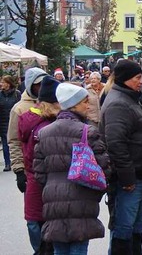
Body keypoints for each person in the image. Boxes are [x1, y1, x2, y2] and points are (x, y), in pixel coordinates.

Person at [33, 83, 110, 255]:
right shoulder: (87, 131)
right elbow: (104, 166)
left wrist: (51, 186)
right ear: (73, 104)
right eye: (84, 102)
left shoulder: (44, 133)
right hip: (82, 195)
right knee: (79, 246)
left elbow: (38, 170)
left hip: (53, 197)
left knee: (59, 247)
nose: (88, 106)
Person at [100, 60, 142, 254]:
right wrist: (127, 178)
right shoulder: (119, 103)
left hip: (138, 176)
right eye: (137, 77)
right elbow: (116, 144)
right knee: (124, 230)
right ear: (126, 79)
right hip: (130, 179)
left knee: (134, 229)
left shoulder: (128, 98)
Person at [17, 75, 60, 255]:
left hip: (33, 175)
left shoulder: (25, 117)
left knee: (35, 219)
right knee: (48, 220)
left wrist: (20, 169)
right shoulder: (54, 121)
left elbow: (17, 142)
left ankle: (40, 250)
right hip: (51, 177)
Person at [8, 67, 49, 188]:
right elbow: (14, 140)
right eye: (38, 84)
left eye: (44, 83)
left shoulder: (53, 103)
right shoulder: (19, 108)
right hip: (31, 169)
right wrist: (19, 170)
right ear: (31, 85)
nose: (41, 87)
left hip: (51, 167)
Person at [1, 75, 21, 171]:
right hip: (3, 123)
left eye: (3, 82)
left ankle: (17, 162)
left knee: (15, 143)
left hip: (14, 122)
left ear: (8, 84)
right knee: (5, 144)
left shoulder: (17, 94)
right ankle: (7, 163)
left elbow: (20, 108)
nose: (1, 84)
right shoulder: (0, 95)